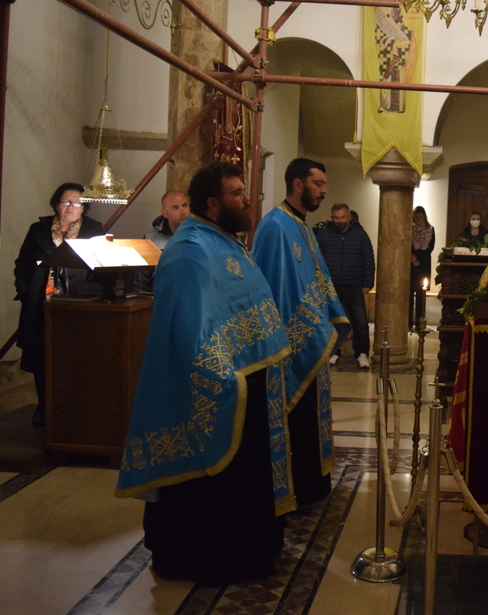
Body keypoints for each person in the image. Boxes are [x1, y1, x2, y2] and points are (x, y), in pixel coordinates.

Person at [116, 162, 293, 585]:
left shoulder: (223, 240)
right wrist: (225, 379)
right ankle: (210, 558)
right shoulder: (189, 250)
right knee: (209, 487)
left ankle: (251, 548)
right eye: (237, 193)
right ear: (213, 202)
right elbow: (188, 329)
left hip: (251, 379)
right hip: (216, 386)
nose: (246, 200)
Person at [253, 158, 347, 509]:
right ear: (298, 184)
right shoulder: (275, 226)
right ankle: (296, 490)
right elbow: (272, 288)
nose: (324, 190)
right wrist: (302, 331)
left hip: (312, 335)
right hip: (290, 343)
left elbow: (318, 279)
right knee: (294, 420)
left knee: (309, 418)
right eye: (318, 183)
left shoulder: (302, 225)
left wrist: (327, 321)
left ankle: (312, 485)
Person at [14, 182, 104, 426]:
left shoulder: (94, 229)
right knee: (41, 357)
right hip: (40, 303)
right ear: (56, 204)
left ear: (83, 208)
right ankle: (43, 408)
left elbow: (101, 267)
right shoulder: (38, 229)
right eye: (66, 202)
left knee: (73, 357)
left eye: (77, 203)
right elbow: (22, 263)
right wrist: (25, 292)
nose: (71, 207)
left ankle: (72, 410)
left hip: (77, 302)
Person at [317, 202, 375, 370]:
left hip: (354, 284)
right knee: (333, 320)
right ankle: (334, 351)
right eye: (336, 218)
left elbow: (368, 259)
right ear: (331, 218)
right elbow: (317, 259)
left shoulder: (360, 235)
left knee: (360, 321)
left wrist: (368, 282)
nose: (340, 221)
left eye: (343, 217)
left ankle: (362, 353)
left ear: (349, 217)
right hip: (331, 286)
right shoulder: (324, 235)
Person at [136, 190, 191, 293]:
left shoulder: (201, 234)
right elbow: (142, 280)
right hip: (160, 294)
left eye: (185, 205)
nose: (183, 212)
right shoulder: (151, 239)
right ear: (164, 213)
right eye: (175, 208)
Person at [410, 206, 435, 328]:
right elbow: (406, 244)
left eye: (421, 217)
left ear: (424, 217)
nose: (419, 219)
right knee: (409, 294)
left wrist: (417, 257)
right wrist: (411, 258)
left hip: (423, 265)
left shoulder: (430, 229)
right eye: (416, 217)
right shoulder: (409, 229)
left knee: (421, 294)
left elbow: (430, 248)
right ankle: (409, 322)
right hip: (411, 265)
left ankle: (420, 322)